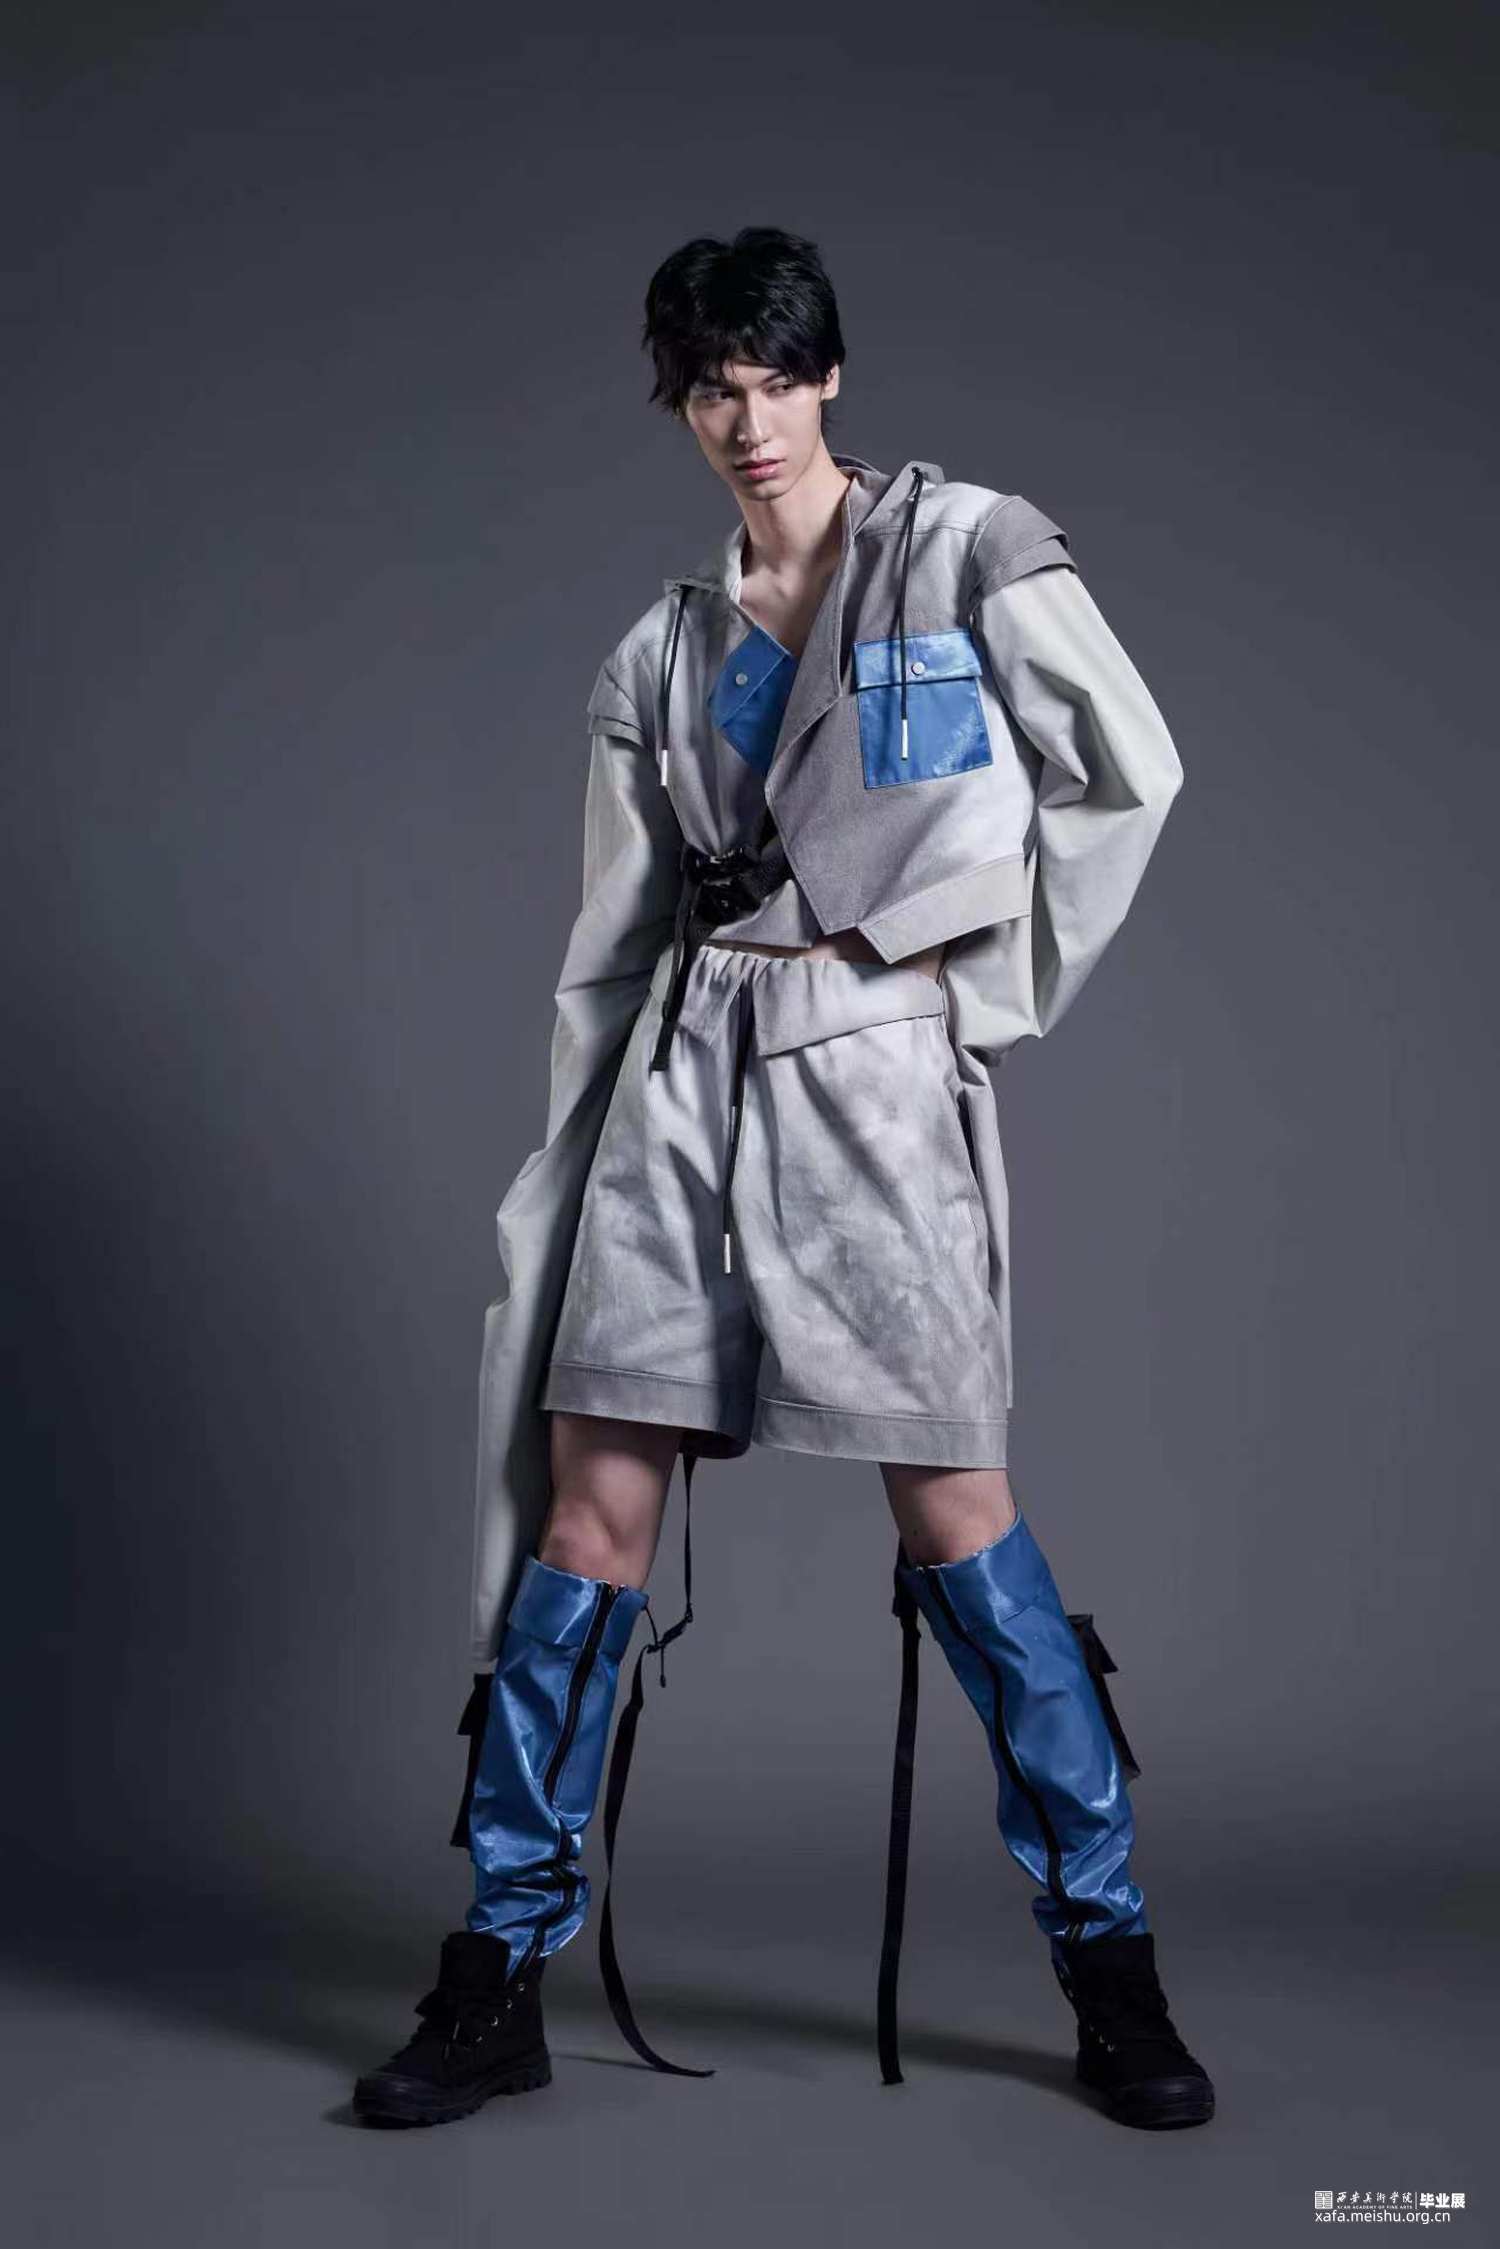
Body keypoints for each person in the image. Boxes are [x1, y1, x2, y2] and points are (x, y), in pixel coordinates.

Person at [353, 226, 1215, 2133]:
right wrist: (569, 1175)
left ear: (829, 376)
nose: (745, 421)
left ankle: (1113, 1961)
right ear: (679, 404)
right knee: (589, 1520)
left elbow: (1128, 773)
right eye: (708, 390)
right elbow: (609, 945)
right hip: (678, 1089)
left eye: (770, 380)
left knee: (960, 1518)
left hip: (876, 1085)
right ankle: (495, 1972)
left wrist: (966, 990)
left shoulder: (967, 551)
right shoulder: (659, 653)